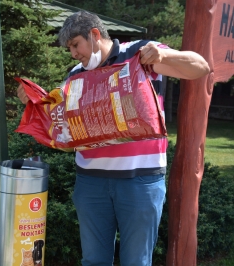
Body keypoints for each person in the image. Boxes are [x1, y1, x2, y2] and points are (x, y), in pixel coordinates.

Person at [17, 10, 210, 266]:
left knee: (136, 262)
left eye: (76, 45)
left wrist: (166, 55)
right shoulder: (75, 74)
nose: (73, 53)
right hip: (90, 183)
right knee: (93, 261)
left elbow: (201, 67)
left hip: (140, 180)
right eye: (69, 48)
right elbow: (64, 130)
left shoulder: (139, 53)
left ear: (95, 35)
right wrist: (36, 104)